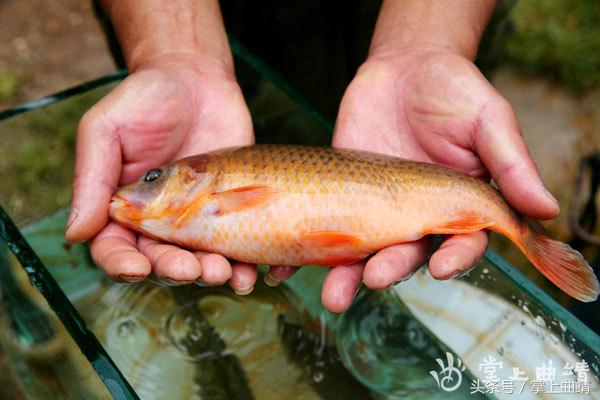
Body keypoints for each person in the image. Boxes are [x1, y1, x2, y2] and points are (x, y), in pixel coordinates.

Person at [65, 0, 559, 313]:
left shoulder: (206, 193)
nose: (137, 189)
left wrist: (427, 40)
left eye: (153, 178)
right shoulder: (203, 188)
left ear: (197, 174)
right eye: (151, 179)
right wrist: (177, 52)